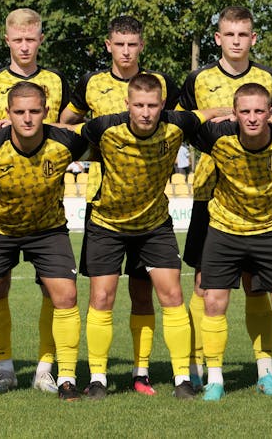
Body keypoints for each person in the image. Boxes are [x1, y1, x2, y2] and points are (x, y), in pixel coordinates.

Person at [60, 15, 179, 396]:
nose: (126, 51)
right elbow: (68, 123)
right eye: (119, 44)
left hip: (151, 210)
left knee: (147, 295)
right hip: (105, 205)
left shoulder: (160, 85)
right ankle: (98, 377)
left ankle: (142, 373)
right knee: (101, 296)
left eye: (133, 44)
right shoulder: (91, 84)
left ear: (141, 46)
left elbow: (183, 121)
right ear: (109, 45)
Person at [178, 6, 272, 390]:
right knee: (203, 283)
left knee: (256, 286)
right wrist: (212, 113)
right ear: (218, 38)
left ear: (253, 38)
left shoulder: (270, 78)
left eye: (243, 35)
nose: (236, 41)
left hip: (260, 197)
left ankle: (265, 370)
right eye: (229, 35)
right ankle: (199, 366)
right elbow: (178, 125)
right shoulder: (198, 78)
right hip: (208, 193)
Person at [0, 82, 86, 402]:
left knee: (66, 295)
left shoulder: (66, 141)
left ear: (45, 113)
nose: (27, 118)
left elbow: (109, 131)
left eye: (34, 111)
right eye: (19, 112)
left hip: (48, 230)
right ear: (8, 114)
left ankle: (62, 376)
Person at [78, 73, 202, 400]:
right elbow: (66, 135)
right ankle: (98, 379)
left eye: (152, 105)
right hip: (107, 223)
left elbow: (213, 113)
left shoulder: (177, 124)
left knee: (171, 296)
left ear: (163, 105)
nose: (146, 112)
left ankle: (179, 379)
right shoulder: (104, 127)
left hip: (153, 224)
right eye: (139, 105)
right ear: (127, 105)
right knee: (102, 298)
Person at [192, 83, 272, 402]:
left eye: (260, 111)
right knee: (214, 301)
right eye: (244, 111)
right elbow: (179, 121)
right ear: (234, 114)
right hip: (224, 228)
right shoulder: (217, 136)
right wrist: (213, 112)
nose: (252, 118)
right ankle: (215, 380)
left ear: (271, 114)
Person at [0, 8, 71, 395]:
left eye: (32, 39)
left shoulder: (56, 80)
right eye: (18, 40)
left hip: (47, 205)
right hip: (1, 206)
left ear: (40, 39)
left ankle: (45, 368)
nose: (25, 46)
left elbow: (63, 129)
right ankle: (5, 367)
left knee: (55, 290)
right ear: (8, 40)